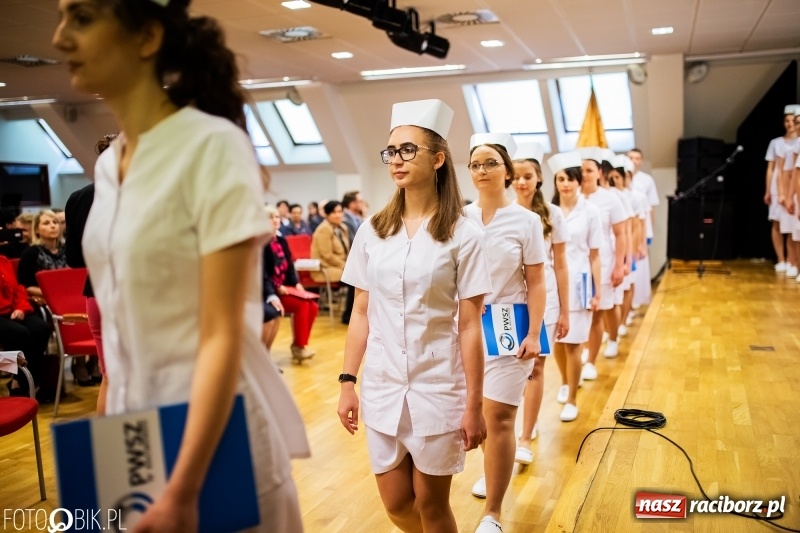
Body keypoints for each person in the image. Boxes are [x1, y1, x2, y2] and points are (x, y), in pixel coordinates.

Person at [52, 1, 308, 531]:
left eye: (80, 18)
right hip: (134, 433)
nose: (58, 38)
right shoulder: (109, 163)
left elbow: (222, 333)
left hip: (211, 437)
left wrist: (184, 487)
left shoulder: (210, 147)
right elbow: (120, 335)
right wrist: (106, 458)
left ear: (146, 37)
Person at [337, 99, 490, 533]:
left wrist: (474, 405)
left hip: (439, 385)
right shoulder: (373, 230)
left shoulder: (464, 234)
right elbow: (361, 312)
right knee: (397, 504)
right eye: (391, 151)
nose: (396, 160)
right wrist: (348, 382)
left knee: (431, 502)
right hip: (384, 384)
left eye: (408, 150)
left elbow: (469, 324)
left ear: (438, 159)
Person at [463, 134, 546, 533]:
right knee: (474, 413)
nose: (482, 170)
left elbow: (538, 282)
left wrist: (534, 333)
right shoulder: (458, 217)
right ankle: (493, 468)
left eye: (490, 163)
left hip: (508, 323)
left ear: (508, 172)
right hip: (463, 326)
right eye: (475, 164)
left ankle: (492, 513)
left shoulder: (526, 222)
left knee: (498, 416)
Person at [513, 142, 570, 458]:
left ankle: (525, 438)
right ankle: (516, 426)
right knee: (508, 369)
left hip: (544, 299)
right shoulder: (501, 212)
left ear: (538, 179)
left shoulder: (553, 214)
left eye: (528, 176)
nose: (521, 182)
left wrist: (565, 310)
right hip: (507, 301)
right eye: (517, 176)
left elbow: (560, 264)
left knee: (535, 365)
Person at [64, 134, 118, 414]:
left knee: (110, 377)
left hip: (95, 294)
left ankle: (111, 453)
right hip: (132, 294)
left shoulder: (78, 198)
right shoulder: (138, 193)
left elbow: (73, 259)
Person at [547, 151, 602, 421]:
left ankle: (572, 399)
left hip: (580, 284)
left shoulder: (591, 212)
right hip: (552, 285)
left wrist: (598, 291)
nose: (565, 184)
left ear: (579, 181)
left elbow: (594, 255)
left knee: (574, 344)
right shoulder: (548, 211)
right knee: (557, 340)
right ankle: (566, 382)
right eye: (560, 179)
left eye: (570, 179)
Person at [577, 148, 627, 382]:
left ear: (599, 172)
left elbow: (621, 234)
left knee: (602, 310)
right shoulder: (572, 195)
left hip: (603, 263)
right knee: (585, 312)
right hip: (578, 267)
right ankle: (589, 349)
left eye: (589, 170)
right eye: (581, 170)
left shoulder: (610, 198)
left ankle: (611, 340)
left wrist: (620, 265)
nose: (584, 174)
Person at [262, 207, 318, 362]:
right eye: (271, 217)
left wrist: (296, 283)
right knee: (302, 305)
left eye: (277, 217)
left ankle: (299, 345)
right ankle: (299, 347)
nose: (275, 220)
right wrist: (277, 288)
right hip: (271, 291)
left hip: (285, 287)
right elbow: (263, 273)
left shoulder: (281, 241)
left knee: (313, 306)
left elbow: (289, 267)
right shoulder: (262, 244)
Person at [0, 255, 52, 401]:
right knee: (19, 334)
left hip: (11, 311)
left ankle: (18, 381)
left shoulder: (3, 260)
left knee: (41, 329)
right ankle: (23, 382)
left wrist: (21, 309)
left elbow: (17, 290)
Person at [764, 106, 797, 273]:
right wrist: (768, 190)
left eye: (794, 121)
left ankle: (793, 261)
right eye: (787, 121)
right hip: (778, 186)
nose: (790, 124)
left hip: (794, 185)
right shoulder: (776, 143)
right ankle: (781, 259)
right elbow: (771, 168)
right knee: (777, 223)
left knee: (792, 225)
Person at [626, 148, 658, 308]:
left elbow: (651, 206)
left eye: (637, 158)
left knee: (641, 264)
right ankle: (629, 301)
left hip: (642, 226)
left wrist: (649, 229)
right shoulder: (622, 177)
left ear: (641, 161)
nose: (634, 160)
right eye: (631, 157)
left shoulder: (647, 180)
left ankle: (639, 297)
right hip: (627, 228)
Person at [17, 209, 68, 299]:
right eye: (46, 223)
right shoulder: (31, 253)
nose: (52, 226)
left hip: (71, 295)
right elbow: (26, 286)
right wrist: (54, 293)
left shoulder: (68, 249)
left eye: (55, 222)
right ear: (36, 229)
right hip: (44, 299)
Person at [341, 190, 364, 324]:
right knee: (355, 279)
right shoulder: (345, 219)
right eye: (359, 201)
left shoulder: (357, 217)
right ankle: (349, 314)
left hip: (355, 256)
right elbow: (352, 241)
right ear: (351, 203)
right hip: (349, 258)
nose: (361, 203)